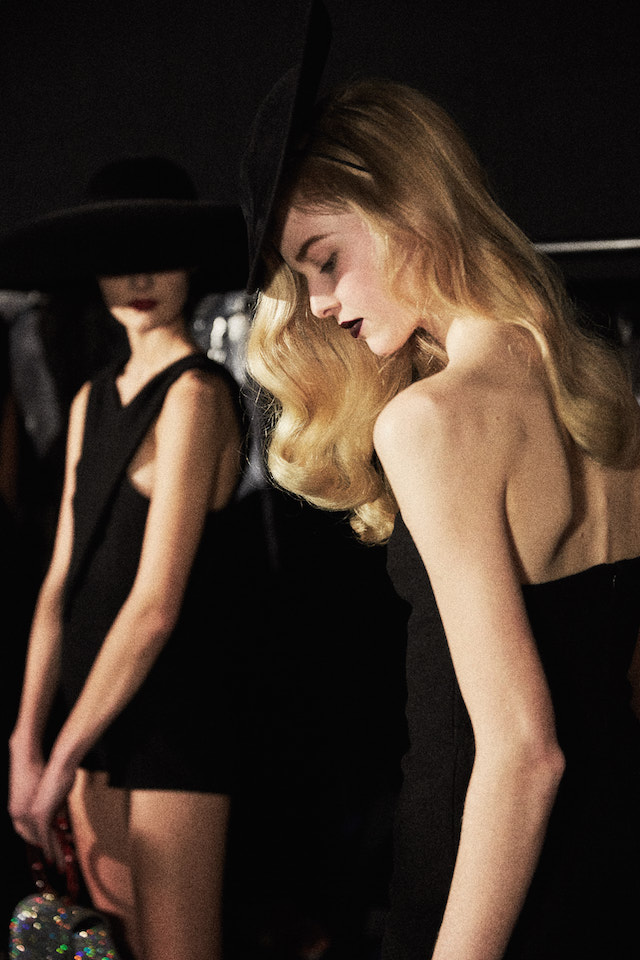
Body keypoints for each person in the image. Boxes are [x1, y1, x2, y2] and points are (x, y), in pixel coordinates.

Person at [242, 77, 640, 959]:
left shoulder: (429, 422)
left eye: (324, 259)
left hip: (481, 889)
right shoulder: (601, 387)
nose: (317, 303)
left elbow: (525, 753)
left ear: (408, 210)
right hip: (609, 871)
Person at [8, 157, 247, 960]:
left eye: (160, 254)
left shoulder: (196, 395)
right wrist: (25, 743)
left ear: (192, 265)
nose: (140, 277)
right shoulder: (89, 398)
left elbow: (155, 605)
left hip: (172, 716)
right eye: (120, 256)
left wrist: (57, 758)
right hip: (90, 718)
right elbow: (58, 585)